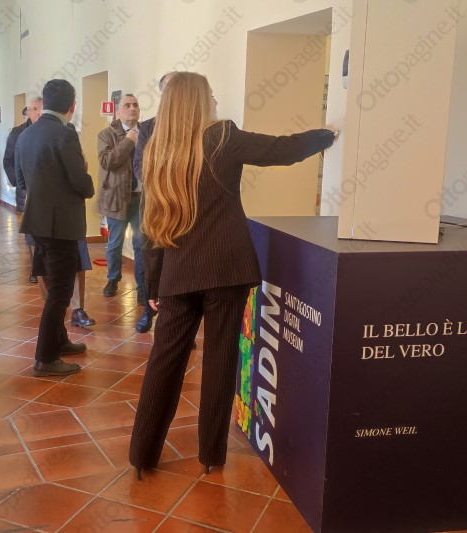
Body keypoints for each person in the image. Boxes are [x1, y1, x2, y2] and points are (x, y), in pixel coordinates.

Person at [129, 72, 338, 477]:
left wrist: (152, 284)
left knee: (164, 360)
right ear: (198, 101)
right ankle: (211, 455)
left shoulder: (156, 150)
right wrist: (326, 135)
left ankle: (142, 455)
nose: (214, 100)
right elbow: (282, 150)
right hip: (227, 267)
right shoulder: (222, 135)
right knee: (220, 361)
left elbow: (150, 225)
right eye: (209, 95)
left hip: (178, 270)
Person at [16, 79, 94, 377]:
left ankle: (59, 340)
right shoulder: (65, 134)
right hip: (62, 223)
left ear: (44, 103)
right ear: (72, 105)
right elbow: (81, 182)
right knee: (60, 292)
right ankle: (45, 358)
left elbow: (20, 181)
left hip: (37, 222)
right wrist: (88, 183)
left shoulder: (26, 134)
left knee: (56, 285)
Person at [132, 73, 177, 333]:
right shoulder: (149, 127)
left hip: (183, 208)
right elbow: (139, 166)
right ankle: (148, 310)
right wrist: (164, 182)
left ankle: (178, 320)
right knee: (149, 257)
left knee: (177, 261)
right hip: (154, 205)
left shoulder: (193, 126)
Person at [97, 94, 146, 310]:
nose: (132, 108)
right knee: (115, 243)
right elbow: (107, 161)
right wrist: (128, 141)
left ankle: (142, 287)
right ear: (118, 112)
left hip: (142, 198)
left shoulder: (147, 133)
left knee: (141, 244)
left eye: (135, 105)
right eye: (127, 105)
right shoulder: (106, 134)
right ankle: (113, 279)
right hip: (117, 198)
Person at [5, 97, 42, 213]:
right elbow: (8, 160)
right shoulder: (17, 133)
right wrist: (18, 181)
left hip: (47, 187)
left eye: (41, 109)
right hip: (25, 186)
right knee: (28, 220)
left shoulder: (52, 130)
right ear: (28, 112)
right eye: (35, 109)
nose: (39, 113)